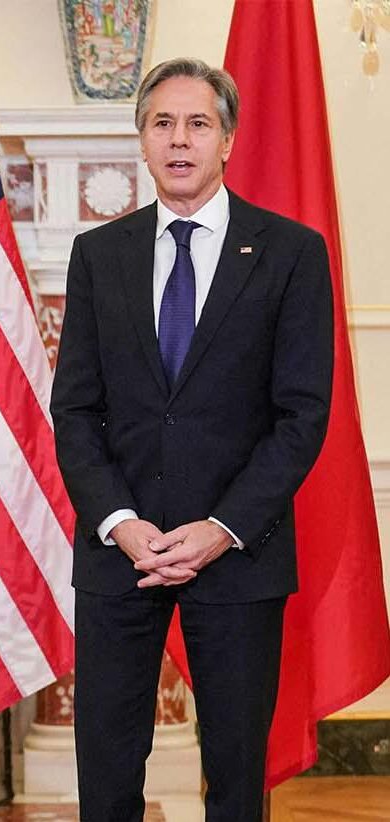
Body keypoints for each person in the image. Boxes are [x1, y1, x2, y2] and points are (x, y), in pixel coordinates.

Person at [51, 58, 333, 821]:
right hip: (122, 558)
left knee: (238, 783)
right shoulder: (98, 256)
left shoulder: (291, 253)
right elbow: (74, 411)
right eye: (163, 123)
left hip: (238, 553)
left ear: (227, 140)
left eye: (198, 123)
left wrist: (221, 527)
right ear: (142, 141)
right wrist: (121, 523)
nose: (180, 140)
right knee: (107, 780)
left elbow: (302, 415)